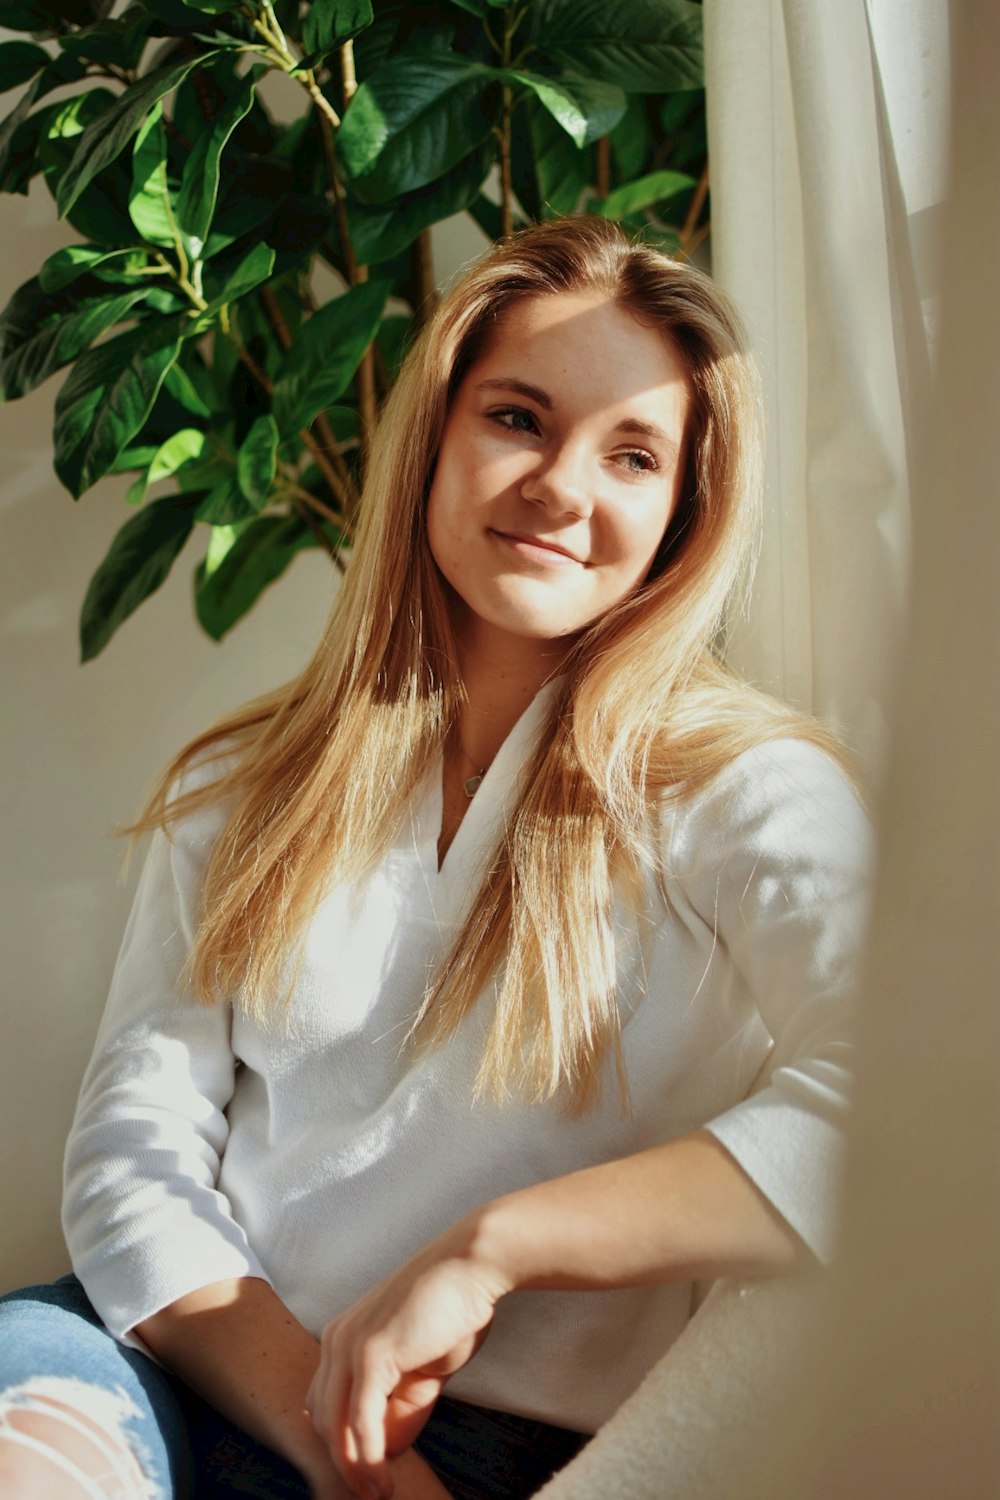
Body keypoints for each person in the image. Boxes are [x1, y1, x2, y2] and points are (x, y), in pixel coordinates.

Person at [0, 217, 872, 1500]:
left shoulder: (745, 791)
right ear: (435, 437)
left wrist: (495, 1248)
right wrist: (337, 1441)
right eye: (518, 418)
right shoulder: (238, 784)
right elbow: (134, 1155)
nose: (562, 486)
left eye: (632, 452)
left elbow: (914, 1097)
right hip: (176, 1372)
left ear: (685, 511)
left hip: (510, 1444)